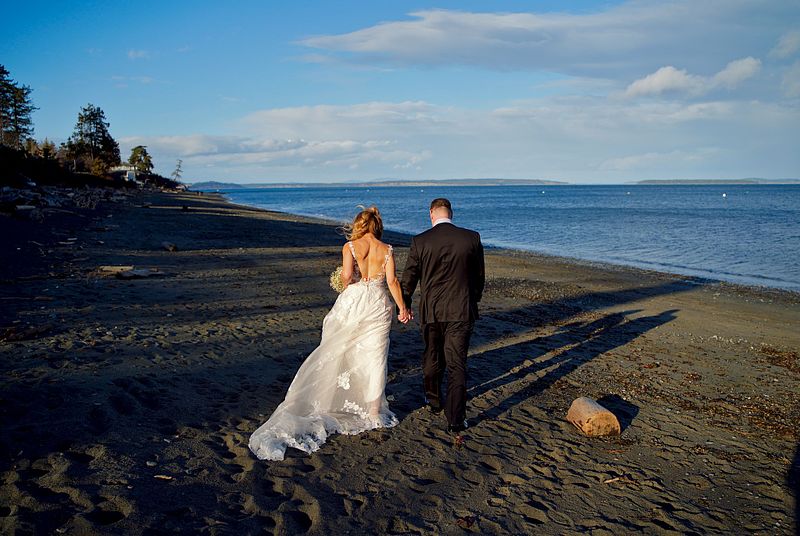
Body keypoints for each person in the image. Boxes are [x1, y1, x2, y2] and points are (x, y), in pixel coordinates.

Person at [249, 206, 409, 461]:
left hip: (355, 300)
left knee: (339, 349)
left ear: (359, 225)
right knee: (375, 355)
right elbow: (392, 282)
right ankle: (373, 412)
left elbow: (347, 276)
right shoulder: (387, 249)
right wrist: (403, 308)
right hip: (378, 303)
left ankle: (332, 396)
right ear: (377, 226)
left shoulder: (351, 247)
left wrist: (348, 283)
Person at [401, 198, 485, 435]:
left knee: (432, 355)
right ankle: (455, 419)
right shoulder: (471, 238)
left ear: (431, 214)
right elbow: (479, 276)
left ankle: (434, 399)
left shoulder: (420, 241)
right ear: (451, 213)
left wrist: (404, 305)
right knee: (457, 363)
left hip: (432, 310)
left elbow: (409, 279)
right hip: (461, 310)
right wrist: (473, 299)